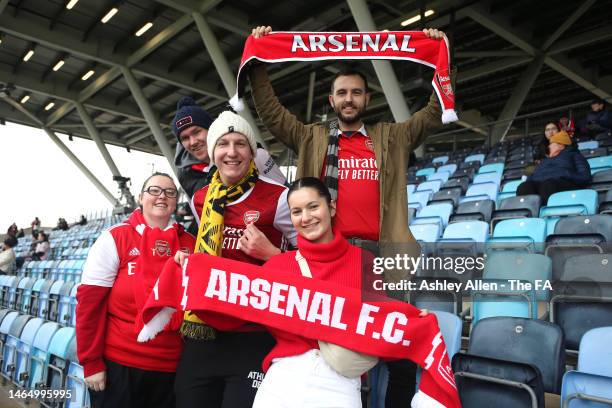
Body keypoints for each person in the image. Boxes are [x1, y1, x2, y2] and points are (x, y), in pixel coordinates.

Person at [249, 25, 449, 406]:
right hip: (332, 261)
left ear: (367, 97)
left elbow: (434, 112)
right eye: (342, 92)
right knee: (333, 349)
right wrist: (258, 61)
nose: (349, 98)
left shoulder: (392, 137)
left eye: (356, 92)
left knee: (397, 350)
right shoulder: (313, 137)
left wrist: (441, 57)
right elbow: (273, 115)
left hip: (382, 259)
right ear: (332, 98)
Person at [253, 177, 428, 408]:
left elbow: (378, 323)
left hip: (339, 381)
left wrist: (413, 323)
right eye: (296, 211)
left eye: (313, 206)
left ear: (332, 207)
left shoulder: (366, 263)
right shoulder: (276, 267)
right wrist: (191, 270)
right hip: (282, 382)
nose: (305, 218)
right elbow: (230, 304)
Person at [174, 110, 297, 408]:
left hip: (254, 334)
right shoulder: (200, 198)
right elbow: (206, 244)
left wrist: (272, 255)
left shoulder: (280, 198)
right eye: (223, 144)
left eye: (240, 143)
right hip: (204, 330)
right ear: (213, 151)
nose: (231, 152)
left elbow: (309, 263)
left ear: (252, 152)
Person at [76, 172, 196, 408]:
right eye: (154, 190)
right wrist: (91, 362)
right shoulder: (114, 238)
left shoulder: (191, 243)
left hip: (172, 368)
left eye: (170, 192)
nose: (162, 196)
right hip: (119, 366)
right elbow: (89, 306)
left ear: (175, 200)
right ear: (141, 198)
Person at [172, 96, 286, 201]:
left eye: (197, 132)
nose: (193, 142)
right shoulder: (185, 175)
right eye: (185, 138)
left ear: (211, 130)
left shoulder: (254, 154)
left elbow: (287, 195)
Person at [517, 130, 591, 204]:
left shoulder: (575, 156)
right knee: (524, 187)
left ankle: (548, 213)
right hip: (542, 185)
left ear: (561, 145)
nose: (549, 146)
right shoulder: (544, 161)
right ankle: (529, 213)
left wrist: (565, 173)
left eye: (552, 144)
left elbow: (585, 176)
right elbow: (532, 176)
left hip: (560, 185)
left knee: (548, 185)